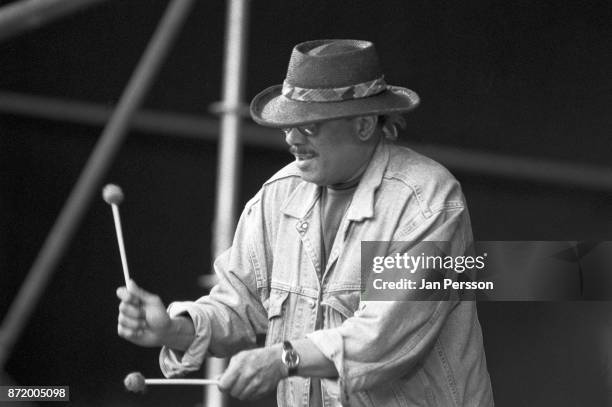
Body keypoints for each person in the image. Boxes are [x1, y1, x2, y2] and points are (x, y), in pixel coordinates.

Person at [116, 39, 494, 406]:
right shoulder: (277, 196)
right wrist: (173, 328)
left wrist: (284, 358)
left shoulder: (426, 201)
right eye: (287, 125)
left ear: (363, 125)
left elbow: (383, 337)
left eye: (309, 125)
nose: (292, 139)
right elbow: (238, 306)